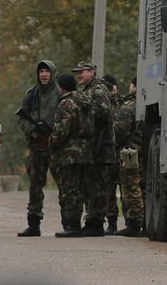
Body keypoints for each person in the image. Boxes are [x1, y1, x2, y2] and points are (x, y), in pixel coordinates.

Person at [15, 60, 58, 237]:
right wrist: (32, 130)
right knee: (35, 185)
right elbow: (21, 118)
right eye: (41, 71)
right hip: (37, 144)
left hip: (56, 145)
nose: (44, 74)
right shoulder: (32, 94)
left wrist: (53, 129)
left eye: (47, 71)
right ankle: (33, 223)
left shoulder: (60, 93)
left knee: (66, 183)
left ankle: (70, 222)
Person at [49, 74, 94, 238]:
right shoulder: (85, 101)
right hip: (86, 150)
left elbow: (61, 130)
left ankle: (72, 225)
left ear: (61, 87)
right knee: (81, 188)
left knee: (69, 190)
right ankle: (78, 224)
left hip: (69, 152)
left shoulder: (66, 103)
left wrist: (51, 143)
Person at [72, 61, 114, 237]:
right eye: (78, 72)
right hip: (93, 145)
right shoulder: (89, 89)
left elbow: (104, 113)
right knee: (90, 184)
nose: (79, 75)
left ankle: (96, 222)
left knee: (98, 186)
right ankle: (92, 220)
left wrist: (83, 106)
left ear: (92, 72)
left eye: (82, 72)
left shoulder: (97, 89)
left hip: (101, 145)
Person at [113, 77, 144, 237]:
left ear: (134, 86)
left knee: (131, 188)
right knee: (144, 188)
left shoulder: (129, 106)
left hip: (130, 154)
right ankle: (144, 223)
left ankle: (134, 224)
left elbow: (120, 131)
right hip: (145, 152)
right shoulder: (148, 103)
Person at [101, 74, 121, 234]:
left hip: (117, 152)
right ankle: (112, 222)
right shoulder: (108, 104)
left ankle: (120, 222)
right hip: (110, 152)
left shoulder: (120, 105)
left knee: (118, 189)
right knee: (109, 189)